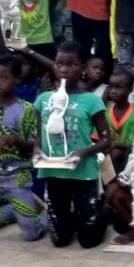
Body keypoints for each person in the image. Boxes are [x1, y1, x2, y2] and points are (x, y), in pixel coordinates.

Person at [34, 42, 112, 249]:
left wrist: (85, 151)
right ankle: (71, 218)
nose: (64, 69)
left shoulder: (91, 101)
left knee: (88, 241)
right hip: (52, 170)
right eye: (59, 64)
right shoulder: (43, 100)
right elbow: (38, 133)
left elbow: (107, 140)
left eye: (72, 65)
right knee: (60, 241)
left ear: (83, 67)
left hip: (82, 172)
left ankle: (103, 212)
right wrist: (37, 149)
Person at [0, 55, 46, 241]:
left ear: (17, 79)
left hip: (17, 177)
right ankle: (12, 212)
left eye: (4, 78)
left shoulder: (28, 110)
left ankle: (48, 215)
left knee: (31, 234)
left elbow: (36, 145)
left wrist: (15, 140)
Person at [104, 68, 134, 173]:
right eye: (111, 87)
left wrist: (117, 144)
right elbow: (98, 139)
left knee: (116, 153)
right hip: (105, 156)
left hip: (129, 158)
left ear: (130, 88)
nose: (113, 91)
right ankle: (105, 183)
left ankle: (113, 182)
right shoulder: (105, 113)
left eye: (118, 87)